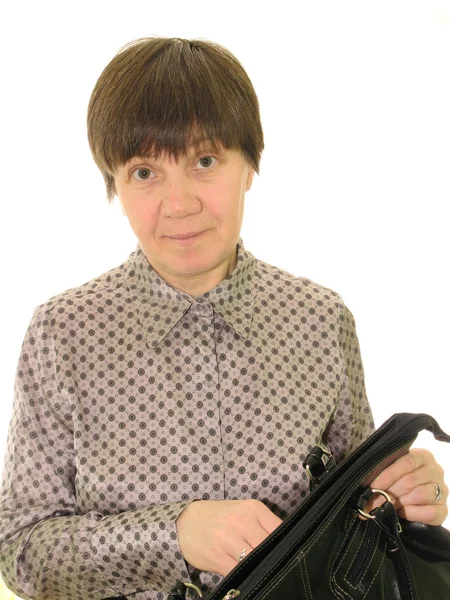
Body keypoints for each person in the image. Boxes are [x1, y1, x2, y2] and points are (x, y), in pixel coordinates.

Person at [0, 37, 447, 600]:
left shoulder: (320, 321)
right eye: (144, 172)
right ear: (113, 181)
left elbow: (356, 525)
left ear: (249, 166)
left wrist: (403, 497)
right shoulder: (63, 334)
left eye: (204, 161)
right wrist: (175, 534)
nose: (179, 203)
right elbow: (20, 552)